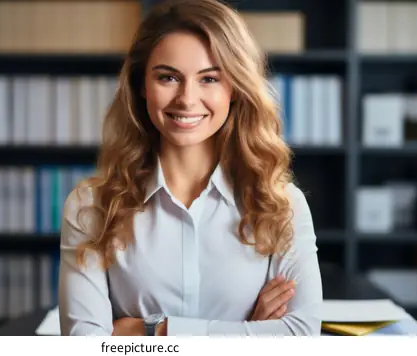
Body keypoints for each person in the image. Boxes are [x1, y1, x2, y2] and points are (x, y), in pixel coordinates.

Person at [58, 0, 322, 336]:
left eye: (209, 79)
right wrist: (246, 333)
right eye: (168, 77)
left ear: (235, 88)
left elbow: (300, 335)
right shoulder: (91, 206)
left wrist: (153, 329)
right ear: (141, 85)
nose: (186, 98)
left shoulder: (282, 203)